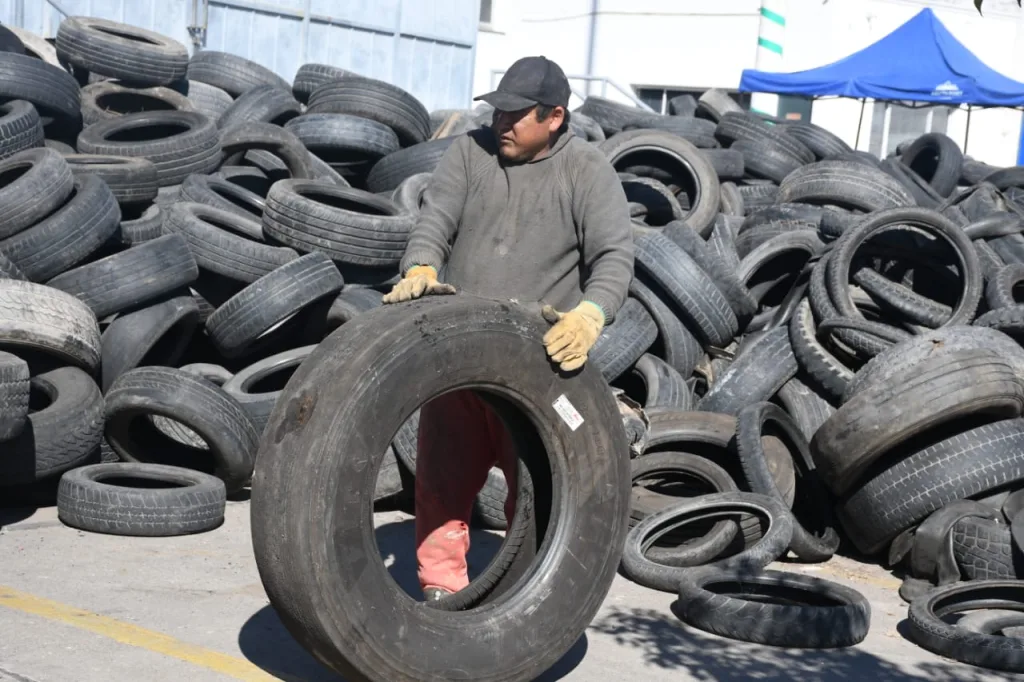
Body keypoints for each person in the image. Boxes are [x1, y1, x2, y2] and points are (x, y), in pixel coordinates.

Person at [381, 55, 634, 601]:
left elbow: (614, 256)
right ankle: (440, 592)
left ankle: (524, 604)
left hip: (539, 369)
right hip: (458, 359)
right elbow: (435, 219)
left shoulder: (586, 170)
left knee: (539, 496)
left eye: (516, 116)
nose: (501, 124)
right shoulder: (470, 153)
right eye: (498, 112)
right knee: (441, 485)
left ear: (555, 117)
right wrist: (421, 266)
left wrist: (592, 314)